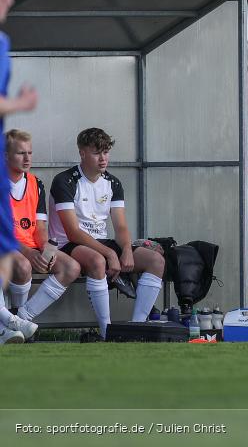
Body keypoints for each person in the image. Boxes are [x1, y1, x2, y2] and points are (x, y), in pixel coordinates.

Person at [48, 128, 165, 340]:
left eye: (106, 152)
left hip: (100, 242)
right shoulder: (64, 181)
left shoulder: (113, 183)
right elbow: (73, 232)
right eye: (96, 153)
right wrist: (111, 254)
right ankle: (107, 333)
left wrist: (127, 250)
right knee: (97, 260)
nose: (103, 158)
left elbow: (120, 226)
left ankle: (136, 331)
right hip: (68, 244)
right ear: (82, 153)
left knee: (155, 261)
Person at [1, 130, 81, 342]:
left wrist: (46, 249)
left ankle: (21, 318)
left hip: (29, 246)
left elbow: (40, 226)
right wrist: (28, 252)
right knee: (23, 265)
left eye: (30, 152)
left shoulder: (36, 183)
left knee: (71, 267)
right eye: (20, 153)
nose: (27, 158)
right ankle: (13, 321)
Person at [0, 0, 40, 344]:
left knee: (4, 250)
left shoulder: (3, 43)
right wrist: (20, 103)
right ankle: (10, 321)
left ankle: (6, 322)